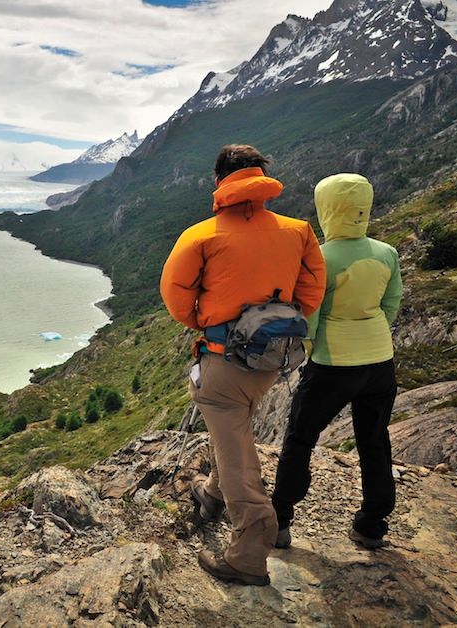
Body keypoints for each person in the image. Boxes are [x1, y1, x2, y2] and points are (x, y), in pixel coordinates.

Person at [160, 144, 326, 586]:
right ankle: (213, 494)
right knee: (232, 426)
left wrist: (209, 322)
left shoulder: (201, 235)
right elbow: (311, 293)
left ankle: (249, 553)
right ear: (262, 179)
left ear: (219, 183)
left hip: (223, 361)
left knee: (236, 452)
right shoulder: (299, 231)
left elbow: (177, 299)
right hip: (271, 358)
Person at [271, 173, 402, 551]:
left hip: (332, 362)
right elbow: (390, 303)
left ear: (326, 208)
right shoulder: (386, 253)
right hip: (379, 362)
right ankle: (372, 525)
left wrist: (313, 348)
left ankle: (279, 520)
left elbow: (309, 315)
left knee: (300, 438)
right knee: (374, 441)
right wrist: (371, 332)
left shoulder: (320, 257)